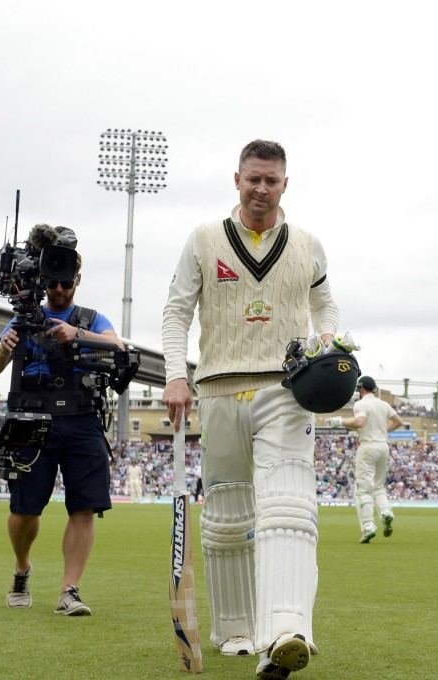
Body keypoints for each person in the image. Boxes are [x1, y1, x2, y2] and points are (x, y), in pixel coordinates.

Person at [162, 139, 339, 678]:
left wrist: (327, 342)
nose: (262, 188)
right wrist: (175, 373)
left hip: (286, 391)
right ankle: (235, 628)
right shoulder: (202, 240)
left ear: (286, 184)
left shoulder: (307, 244)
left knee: (286, 508)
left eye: (272, 180)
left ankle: (286, 631)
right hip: (216, 389)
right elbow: (176, 313)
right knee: (227, 516)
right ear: (236, 179)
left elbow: (325, 305)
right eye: (253, 179)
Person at [0, 246, 122, 616]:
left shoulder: (91, 318)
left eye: (66, 282)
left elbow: (118, 348)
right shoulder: (23, 318)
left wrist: (74, 334)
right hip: (30, 420)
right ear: (43, 281)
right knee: (24, 510)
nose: (59, 289)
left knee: (85, 507)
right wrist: (5, 346)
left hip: (81, 418)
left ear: (77, 280)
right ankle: (22, 568)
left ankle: (69, 591)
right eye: (53, 283)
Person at [330, 375, 404, 543]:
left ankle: (369, 527)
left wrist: (340, 422)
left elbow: (359, 422)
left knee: (363, 490)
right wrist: (385, 431)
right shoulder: (383, 404)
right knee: (378, 487)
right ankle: (386, 512)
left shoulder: (361, 404)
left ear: (361, 388)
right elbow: (398, 421)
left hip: (368, 446)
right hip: (383, 447)